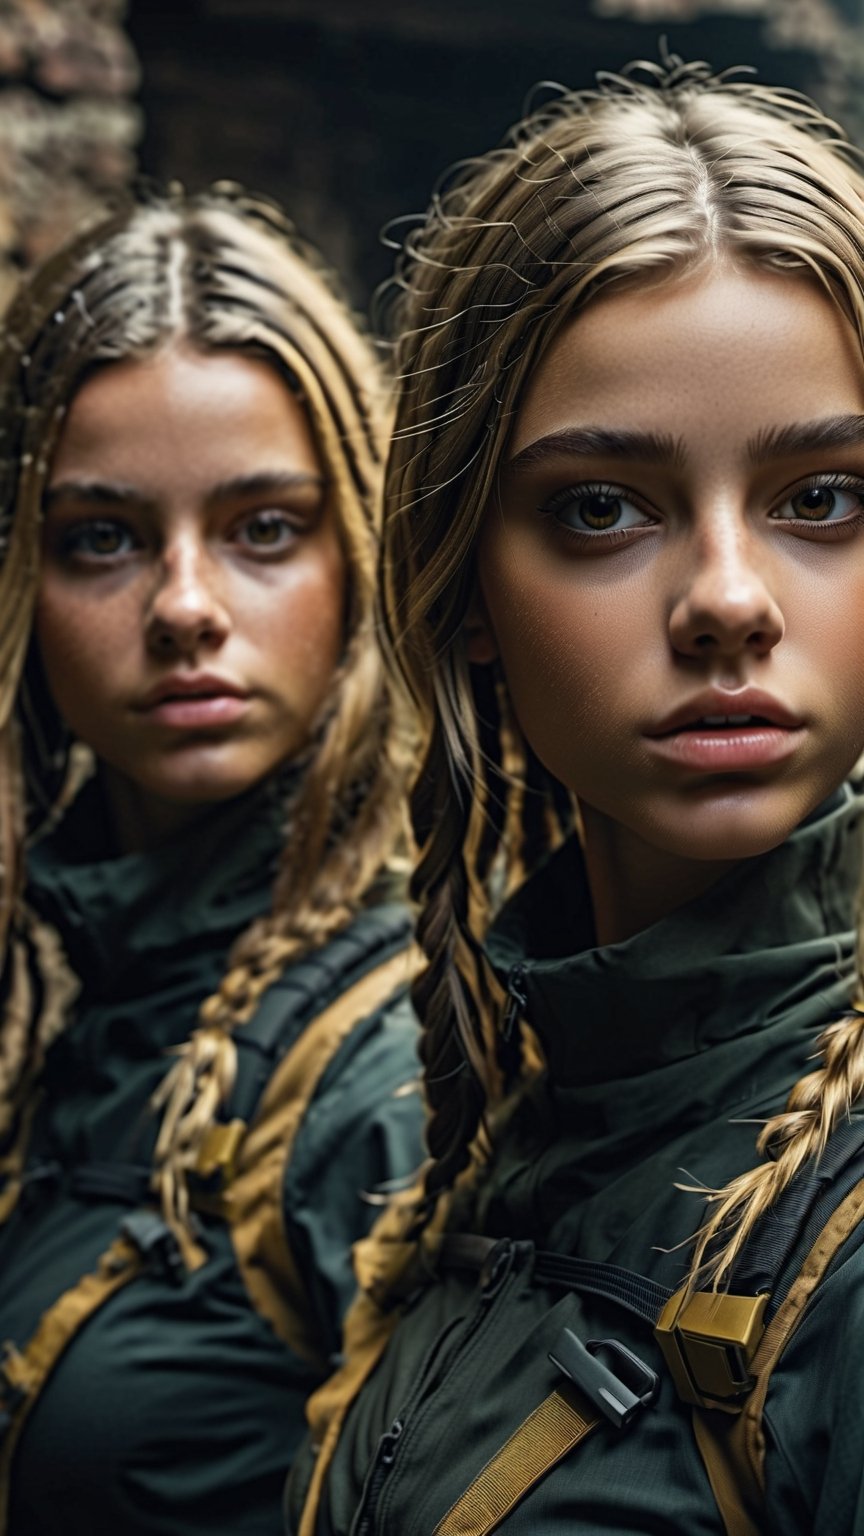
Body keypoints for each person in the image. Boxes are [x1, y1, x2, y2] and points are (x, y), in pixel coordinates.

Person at [286, 55, 864, 1536]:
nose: (729, 600)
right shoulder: (504, 1116)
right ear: (466, 579)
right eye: (601, 507)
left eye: (824, 499)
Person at [0, 187, 423, 1536]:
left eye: (262, 530)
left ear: (360, 553)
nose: (185, 606)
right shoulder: (77, 982)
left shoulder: (400, 1056)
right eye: (103, 539)